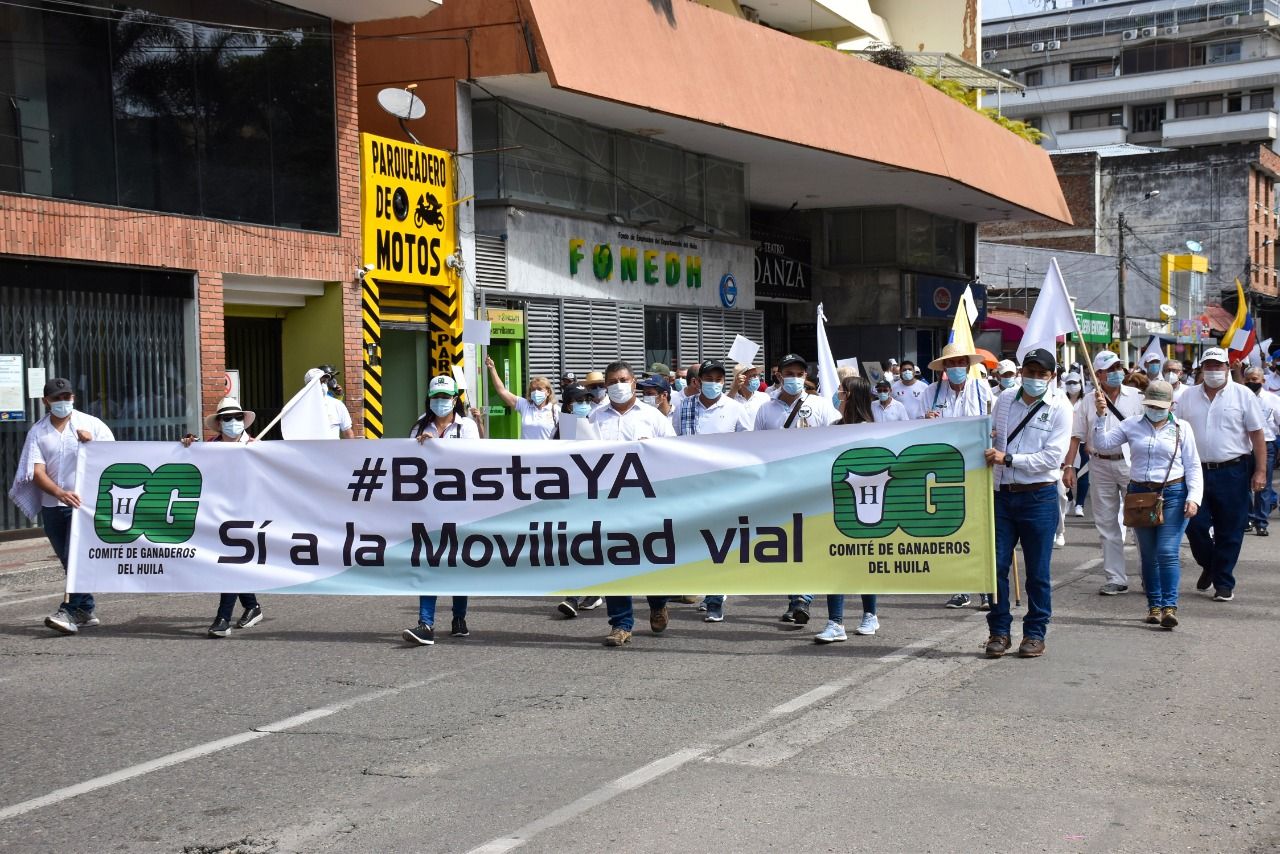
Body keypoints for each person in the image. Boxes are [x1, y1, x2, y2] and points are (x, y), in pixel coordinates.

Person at [983, 348, 1072, 658]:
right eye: (1029, 371)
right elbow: (994, 438)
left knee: (1037, 572)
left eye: (1041, 373)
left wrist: (1008, 458)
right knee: (994, 568)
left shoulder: (1061, 407)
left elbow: (1052, 458)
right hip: (1002, 494)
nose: (1034, 378)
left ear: (1052, 376)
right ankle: (999, 631)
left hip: (1039, 496)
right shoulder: (1005, 400)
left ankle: (1035, 633)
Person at [1090, 380, 1202, 628]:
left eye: (1161, 405)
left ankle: (1169, 607)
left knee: (1166, 551)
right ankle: (1154, 606)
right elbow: (1103, 444)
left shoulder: (1182, 428)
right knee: (1149, 555)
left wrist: (1194, 497)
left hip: (1173, 492)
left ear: (1171, 405)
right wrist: (1100, 417)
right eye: (1151, 404)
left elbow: (1193, 465)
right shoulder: (1131, 424)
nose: (1156, 409)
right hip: (1140, 495)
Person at [9, 378, 114, 635]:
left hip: (84, 505)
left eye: (66, 397)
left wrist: (93, 445)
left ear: (73, 398)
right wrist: (59, 492)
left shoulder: (91, 424)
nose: (62, 402)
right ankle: (86, 609)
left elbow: (113, 459)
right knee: (68, 559)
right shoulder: (39, 432)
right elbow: (36, 470)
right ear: (46, 401)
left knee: (76, 557)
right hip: (53, 505)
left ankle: (67, 611)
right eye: (57, 398)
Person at [589, 361, 675, 646]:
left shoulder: (653, 417)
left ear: (634, 382)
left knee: (651, 556)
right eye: (611, 381)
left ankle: (658, 601)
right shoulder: (594, 418)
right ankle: (621, 623)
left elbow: (675, 455)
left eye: (622, 379)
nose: (618, 386)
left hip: (647, 501)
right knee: (614, 559)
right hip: (609, 501)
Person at [1176, 347, 1267, 602]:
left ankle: (1223, 581)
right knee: (1194, 525)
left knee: (1231, 528)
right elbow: (1175, 433)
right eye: (1210, 366)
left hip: (1234, 470)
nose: (1214, 370)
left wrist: (1260, 471)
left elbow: (1257, 435)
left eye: (1219, 366)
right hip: (1195, 471)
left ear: (1228, 367)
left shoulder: (1243, 396)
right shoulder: (1187, 397)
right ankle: (1211, 564)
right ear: (1202, 369)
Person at [754, 353, 839, 623]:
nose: (794, 378)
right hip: (780, 487)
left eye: (799, 374)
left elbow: (840, 437)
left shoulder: (821, 405)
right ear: (778, 375)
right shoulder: (766, 409)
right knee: (789, 544)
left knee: (811, 542)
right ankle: (796, 598)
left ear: (806, 376)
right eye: (789, 374)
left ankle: (803, 598)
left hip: (815, 486)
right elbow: (755, 449)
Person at [403, 376, 480, 646]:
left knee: (458, 562)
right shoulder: (420, 426)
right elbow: (409, 464)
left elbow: (475, 461)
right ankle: (426, 623)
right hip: (429, 506)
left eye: (446, 397)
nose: (441, 402)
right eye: (436, 397)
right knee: (430, 561)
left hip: (461, 505)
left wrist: (441, 447)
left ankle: (459, 617)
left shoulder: (467, 426)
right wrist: (421, 447)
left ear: (455, 399)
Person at [181, 398, 265, 638]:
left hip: (248, 514)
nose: (233, 422)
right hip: (216, 513)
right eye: (227, 418)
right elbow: (190, 466)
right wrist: (187, 446)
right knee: (230, 563)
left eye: (238, 417)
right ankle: (252, 605)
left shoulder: (257, 446)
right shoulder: (208, 446)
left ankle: (223, 618)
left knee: (230, 562)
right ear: (219, 423)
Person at [1063, 352, 1143, 595]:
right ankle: (1116, 577)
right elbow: (1076, 436)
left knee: (1140, 522)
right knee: (1107, 523)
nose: (1116, 371)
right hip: (1099, 464)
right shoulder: (1088, 401)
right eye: (1110, 368)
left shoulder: (1137, 397)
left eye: (1119, 367)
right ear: (1097, 374)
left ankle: (1149, 575)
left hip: (1132, 464)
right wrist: (1069, 466)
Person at [925, 342, 993, 609]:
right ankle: (960, 588)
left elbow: (994, 424)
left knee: (981, 527)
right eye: (951, 364)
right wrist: (924, 420)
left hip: (977, 467)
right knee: (951, 528)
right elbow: (913, 429)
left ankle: (986, 588)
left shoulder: (982, 389)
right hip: (944, 468)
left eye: (960, 363)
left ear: (968, 365)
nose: (956, 367)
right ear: (944, 367)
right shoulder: (931, 393)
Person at [816, 375, 883, 642]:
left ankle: (870, 614)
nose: (837, 397)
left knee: (864, 561)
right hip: (837, 504)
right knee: (836, 562)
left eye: (841, 392)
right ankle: (836, 622)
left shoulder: (872, 431)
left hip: (866, 502)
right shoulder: (834, 427)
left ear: (852, 396)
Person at [553, 383, 605, 618]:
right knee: (573, 545)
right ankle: (573, 595)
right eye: (578, 400)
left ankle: (594, 591)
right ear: (568, 404)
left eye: (587, 400)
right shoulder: (560, 430)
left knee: (593, 544)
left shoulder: (598, 425)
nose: (584, 404)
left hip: (597, 495)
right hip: (571, 496)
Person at [1243, 366, 1280, 536]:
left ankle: (1261, 522)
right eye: (1249, 379)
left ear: (1263, 381)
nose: (1252, 382)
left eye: (1255, 379)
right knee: (1244, 485)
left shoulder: (1273, 400)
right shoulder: (1241, 398)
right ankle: (1248, 518)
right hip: (1244, 446)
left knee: (1263, 484)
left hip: (1267, 445)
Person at [485, 356, 557, 440]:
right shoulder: (525, 405)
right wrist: (492, 369)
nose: (536, 392)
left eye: (539, 389)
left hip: (547, 452)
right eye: (533, 389)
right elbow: (502, 391)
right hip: (525, 452)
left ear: (548, 392)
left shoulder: (555, 410)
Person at [303, 366, 355, 438]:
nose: (323, 385)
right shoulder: (300, 407)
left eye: (325, 381)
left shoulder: (337, 404)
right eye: (320, 382)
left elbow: (348, 433)